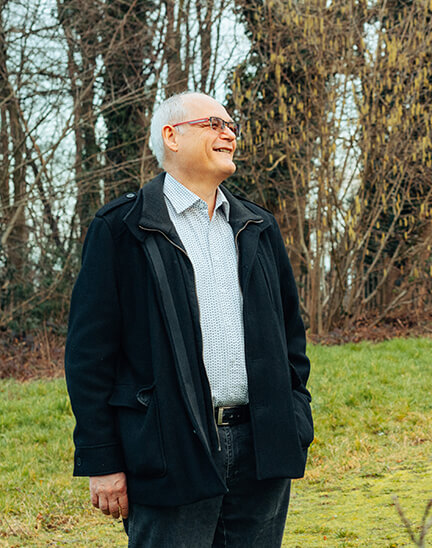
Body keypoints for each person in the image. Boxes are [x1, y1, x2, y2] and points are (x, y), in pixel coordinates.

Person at [64, 91, 313, 547]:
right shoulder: (122, 228)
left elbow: (291, 340)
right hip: (169, 450)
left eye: (231, 125)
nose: (229, 133)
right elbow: (88, 356)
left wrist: (295, 419)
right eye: (213, 123)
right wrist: (101, 460)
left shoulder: (258, 225)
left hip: (263, 448)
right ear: (171, 137)